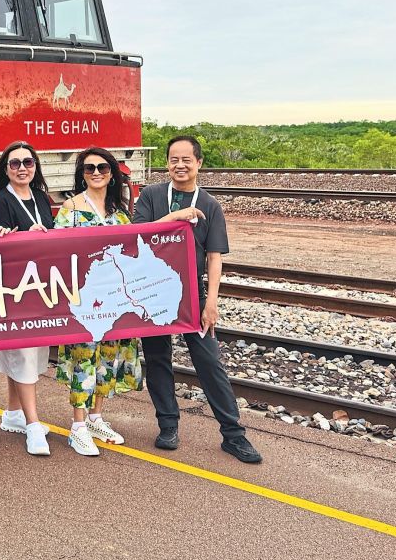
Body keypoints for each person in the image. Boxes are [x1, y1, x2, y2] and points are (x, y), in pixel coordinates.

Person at [134, 135, 262, 464]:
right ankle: (168, 425)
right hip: (153, 292)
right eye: (174, 159)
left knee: (208, 362)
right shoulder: (150, 195)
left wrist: (211, 302)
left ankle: (233, 434)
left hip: (192, 292)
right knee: (158, 358)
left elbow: (215, 258)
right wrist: (175, 218)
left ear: (199, 163)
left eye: (186, 159)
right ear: (167, 163)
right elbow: (136, 235)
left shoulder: (209, 204)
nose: (180, 165)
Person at [53, 148, 142, 456]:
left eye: (102, 167)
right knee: (83, 359)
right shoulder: (71, 208)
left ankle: (95, 417)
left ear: (111, 172)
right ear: (82, 173)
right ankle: (77, 427)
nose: (96, 172)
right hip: (85, 301)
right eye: (89, 167)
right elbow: (57, 251)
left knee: (107, 359)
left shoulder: (119, 211)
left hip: (116, 301)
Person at [0, 141, 54, 455]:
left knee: (30, 352)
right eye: (14, 164)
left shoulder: (40, 197)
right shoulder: (1, 200)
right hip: (16, 290)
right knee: (24, 354)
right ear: (5, 169)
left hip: (40, 287)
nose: (22, 168)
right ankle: (33, 424)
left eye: (28, 162)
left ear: (35, 166)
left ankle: (13, 413)